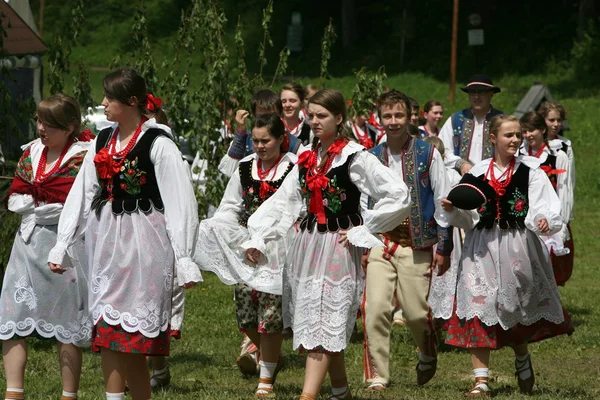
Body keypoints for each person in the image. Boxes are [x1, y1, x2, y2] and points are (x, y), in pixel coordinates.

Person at [242, 89, 411, 400]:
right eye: (312, 115)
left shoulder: (355, 156)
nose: (315, 121)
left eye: (322, 116)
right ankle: (340, 391)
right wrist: (259, 236)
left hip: (338, 246)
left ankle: (307, 396)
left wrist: (365, 227)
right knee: (317, 318)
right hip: (308, 246)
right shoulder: (308, 156)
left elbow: (398, 194)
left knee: (323, 320)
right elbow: (285, 201)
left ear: (339, 118)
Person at [47, 68, 202, 400]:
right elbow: (83, 192)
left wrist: (184, 257)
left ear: (131, 102)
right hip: (106, 245)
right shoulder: (102, 140)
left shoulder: (158, 143)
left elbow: (180, 202)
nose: (103, 103)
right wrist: (64, 243)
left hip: (145, 245)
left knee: (132, 341)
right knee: (108, 334)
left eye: (109, 98)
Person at [440, 114, 573, 397]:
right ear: (493, 139)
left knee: (514, 309)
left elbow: (546, 206)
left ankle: (522, 357)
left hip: (517, 246)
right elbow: (467, 216)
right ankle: (481, 381)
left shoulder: (531, 171)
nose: (515, 140)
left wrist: (543, 220)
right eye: (508, 135)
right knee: (478, 306)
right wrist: (453, 209)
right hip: (482, 247)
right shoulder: (477, 171)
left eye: (518, 135)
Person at [195, 113, 296, 398]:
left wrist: (264, 240)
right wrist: (220, 228)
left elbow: (293, 209)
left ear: (280, 139)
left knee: (271, 312)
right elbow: (230, 205)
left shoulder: (292, 167)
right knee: (246, 313)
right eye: (256, 140)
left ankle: (266, 378)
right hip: (246, 247)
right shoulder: (245, 167)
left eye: (267, 140)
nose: (261, 146)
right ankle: (270, 356)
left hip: (277, 246)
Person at [0, 94, 93, 400]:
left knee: (66, 322)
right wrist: (39, 204)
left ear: (69, 127)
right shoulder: (32, 152)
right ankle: (14, 391)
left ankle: (69, 394)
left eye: (50, 124)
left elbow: (75, 206)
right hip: (26, 246)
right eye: (40, 121)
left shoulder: (83, 157)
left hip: (64, 249)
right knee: (11, 317)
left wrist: (37, 205)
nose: (41, 128)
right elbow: (16, 198)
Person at [361, 90, 452, 391]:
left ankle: (427, 349)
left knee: (415, 313)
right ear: (379, 119)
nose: (393, 121)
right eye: (387, 116)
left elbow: (442, 200)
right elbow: (364, 203)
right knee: (375, 308)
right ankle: (377, 375)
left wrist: (444, 244)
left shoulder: (428, 153)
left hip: (418, 243)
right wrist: (364, 243)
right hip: (382, 243)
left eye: (399, 115)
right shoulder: (371, 158)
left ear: (410, 117)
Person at [519, 112, 573, 285]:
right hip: (524, 215)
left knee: (547, 267)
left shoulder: (557, 156)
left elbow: (564, 191)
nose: (528, 135)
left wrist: (561, 222)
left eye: (531, 131)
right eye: (524, 132)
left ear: (542, 129)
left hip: (548, 215)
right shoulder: (518, 156)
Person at [218, 88, 303, 178]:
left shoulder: (292, 143)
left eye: (271, 116)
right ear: (254, 115)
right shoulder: (246, 139)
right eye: (261, 116)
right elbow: (229, 171)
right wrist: (241, 133)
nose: (267, 122)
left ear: (280, 114)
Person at [439, 74, 504, 174]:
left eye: (481, 92)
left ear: (491, 94)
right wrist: (461, 164)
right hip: (462, 178)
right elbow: (443, 148)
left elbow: (512, 149)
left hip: (495, 178)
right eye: (473, 92)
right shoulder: (456, 120)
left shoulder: (502, 120)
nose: (476, 97)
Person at [537, 100, 576, 195]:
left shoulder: (565, 146)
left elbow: (570, 178)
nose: (556, 124)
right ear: (542, 120)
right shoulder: (532, 143)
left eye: (559, 120)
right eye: (551, 120)